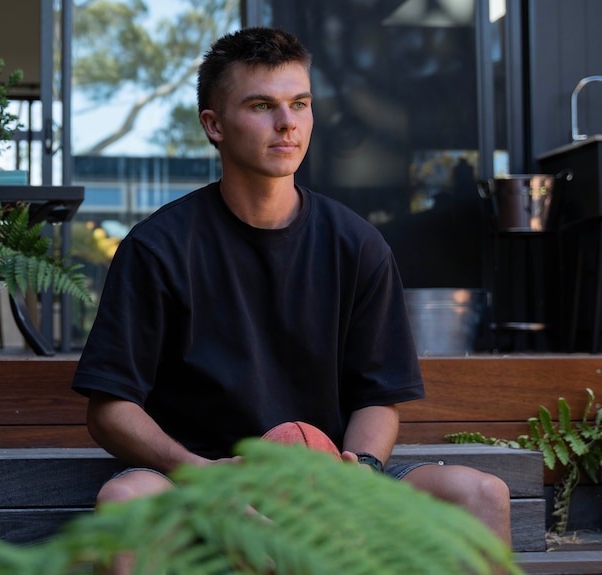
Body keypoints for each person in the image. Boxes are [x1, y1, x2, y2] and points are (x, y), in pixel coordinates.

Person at [71, 26, 510, 572]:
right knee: (126, 501)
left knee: (482, 494)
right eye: (261, 105)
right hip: (198, 476)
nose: (287, 123)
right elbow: (109, 409)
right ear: (214, 126)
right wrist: (197, 471)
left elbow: (378, 396)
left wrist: (362, 468)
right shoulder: (157, 248)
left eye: (299, 103)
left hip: (323, 479)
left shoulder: (358, 245)